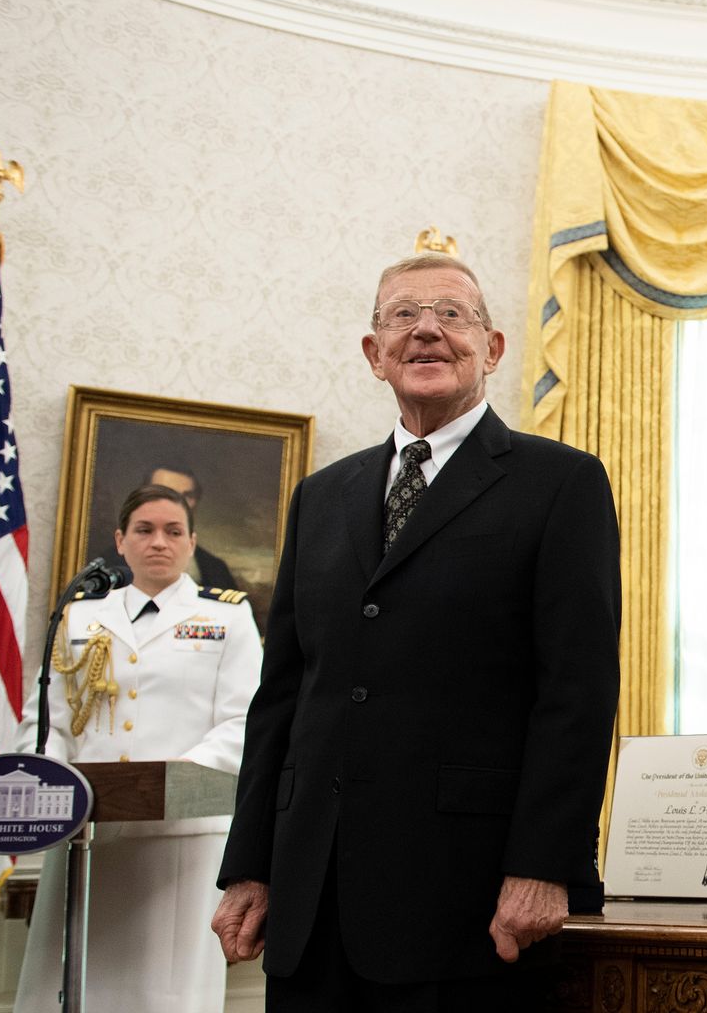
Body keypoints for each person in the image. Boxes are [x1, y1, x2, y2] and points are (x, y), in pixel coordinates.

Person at [210, 253, 622, 1009]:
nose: (426, 329)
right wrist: (251, 865)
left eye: (451, 314)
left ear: (491, 349)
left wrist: (546, 864)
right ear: (375, 354)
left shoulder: (561, 484)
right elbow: (284, 696)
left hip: (466, 904)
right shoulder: (321, 496)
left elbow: (577, 691)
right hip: (313, 902)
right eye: (402, 315)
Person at [14, 484, 262, 1013]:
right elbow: (48, 721)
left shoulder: (227, 618)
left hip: (182, 835)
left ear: (192, 542)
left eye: (173, 531)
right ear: (120, 541)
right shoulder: (79, 617)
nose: (159, 542)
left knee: (166, 993)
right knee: (70, 985)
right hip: (85, 834)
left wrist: (168, 783)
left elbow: (244, 720)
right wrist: (51, 788)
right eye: (144, 530)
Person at [144, 463, 241, 593]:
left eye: (186, 496)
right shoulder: (115, 562)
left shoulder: (216, 568)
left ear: (195, 502)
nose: (178, 503)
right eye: (166, 493)